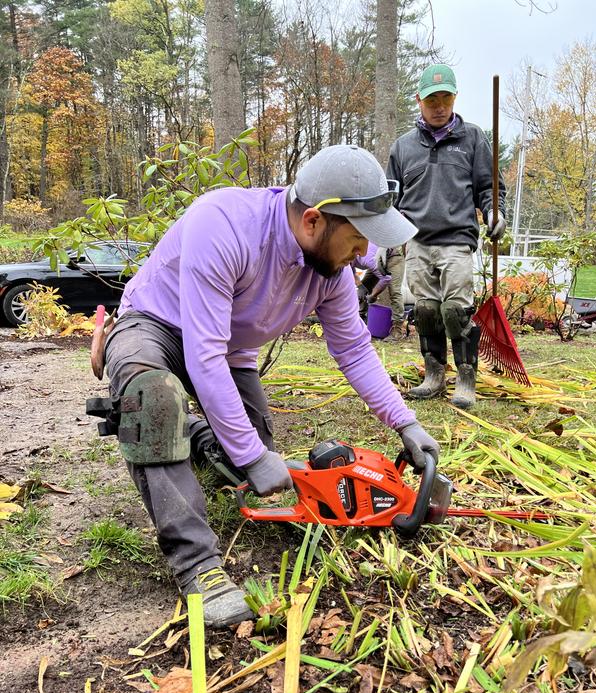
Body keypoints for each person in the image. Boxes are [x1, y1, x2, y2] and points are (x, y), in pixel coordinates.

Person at [97, 144, 439, 630]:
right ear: (314, 222)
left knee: (249, 457)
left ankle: (189, 435)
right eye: (360, 238)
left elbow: (355, 351)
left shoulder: (332, 271)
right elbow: (203, 352)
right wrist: (253, 456)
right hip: (155, 326)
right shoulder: (224, 223)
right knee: (154, 398)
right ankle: (198, 564)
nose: (365, 256)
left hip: (224, 351)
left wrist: (406, 423)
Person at [386, 64, 507, 409]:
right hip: (417, 240)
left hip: (457, 238)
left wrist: (495, 214)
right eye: (432, 99)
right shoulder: (403, 147)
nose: (440, 106)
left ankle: (466, 377)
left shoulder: (473, 138)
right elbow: (390, 199)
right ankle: (434, 374)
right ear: (419, 100)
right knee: (425, 310)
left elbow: (489, 187)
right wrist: (386, 240)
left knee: (455, 309)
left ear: (455, 98)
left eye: (446, 98)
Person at [353, 243, 405, 332]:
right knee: (365, 285)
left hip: (393, 256)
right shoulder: (344, 258)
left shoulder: (367, 259)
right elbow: (352, 272)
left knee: (394, 291)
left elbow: (386, 278)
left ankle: (397, 329)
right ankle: (359, 321)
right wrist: (360, 286)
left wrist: (373, 295)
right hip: (377, 258)